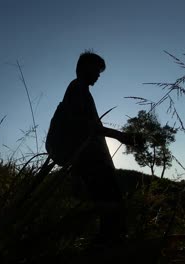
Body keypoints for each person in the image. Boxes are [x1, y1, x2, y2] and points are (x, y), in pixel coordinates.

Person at [60, 50, 144, 243]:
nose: (98, 75)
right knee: (111, 203)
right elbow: (83, 126)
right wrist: (120, 135)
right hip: (90, 159)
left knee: (108, 203)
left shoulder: (81, 91)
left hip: (90, 158)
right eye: (97, 70)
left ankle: (108, 243)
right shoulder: (77, 88)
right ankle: (108, 246)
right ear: (85, 68)